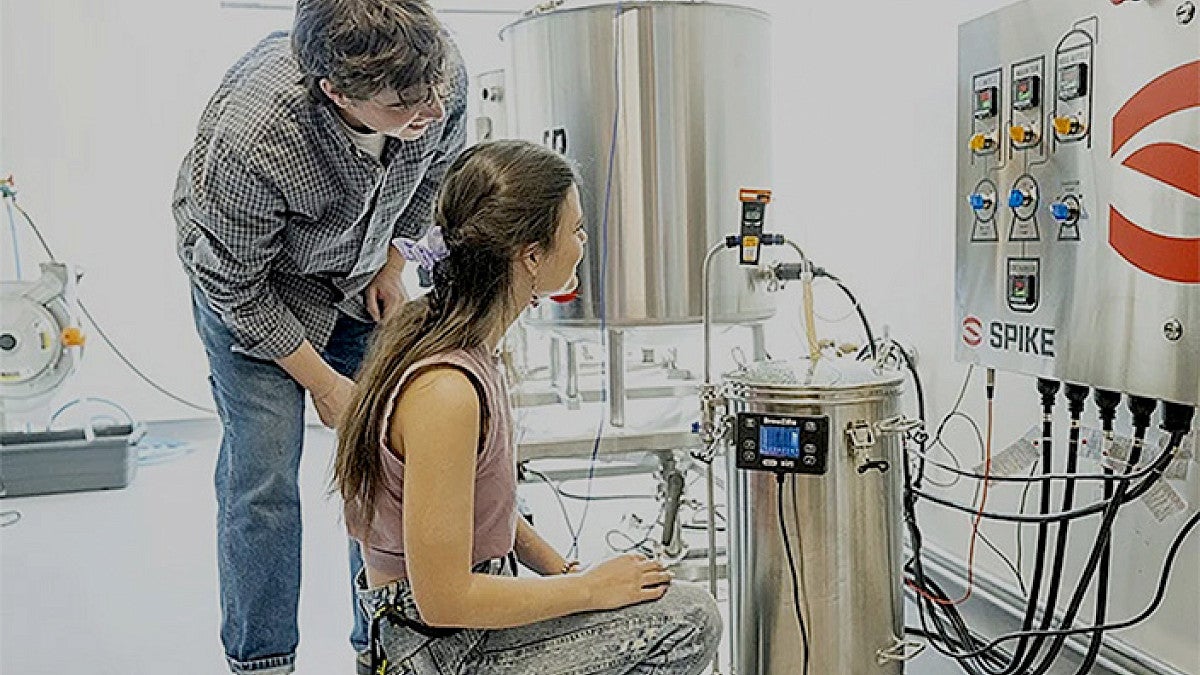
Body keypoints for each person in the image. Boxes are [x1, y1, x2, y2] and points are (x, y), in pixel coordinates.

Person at [334, 139, 723, 675]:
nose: (584, 244)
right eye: (577, 230)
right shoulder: (446, 392)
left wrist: (563, 569)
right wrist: (586, 591)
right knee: (690, 616)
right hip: (438, 651)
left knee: (650, 597)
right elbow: (443, 599)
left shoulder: (463, 345)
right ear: (532, 255)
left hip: (452, 631)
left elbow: (480, 508)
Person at [172, 1, 466, 672]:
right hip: (261, 286)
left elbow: (433, 176)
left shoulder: (435, 74)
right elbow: (235, 287)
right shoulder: (255, 139)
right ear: (336, 92)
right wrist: (326, 383)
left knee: (390, 461)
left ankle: (387, 645)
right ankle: (263, 659)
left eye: (435, 94)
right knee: (264, 473)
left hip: (360, 268)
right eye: (401, 106)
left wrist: (393, 260)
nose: (427, 112)